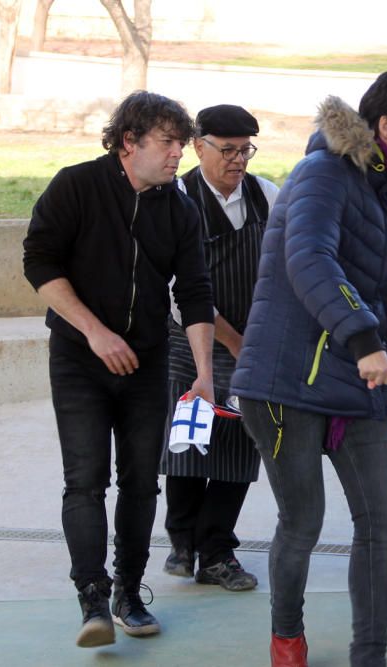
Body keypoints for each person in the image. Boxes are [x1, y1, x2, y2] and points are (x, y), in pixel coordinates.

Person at [231, 70, 387, 667]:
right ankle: (287, 637)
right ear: (386, 127)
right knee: (303, 521)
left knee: (381, 520)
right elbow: (309, 259)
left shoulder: (383, 200)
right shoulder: (321, 174)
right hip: (284, 384)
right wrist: (360, 343)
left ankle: (369, 655)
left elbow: (380, 301)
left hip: (360, 385)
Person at [22, 91, 215, 648]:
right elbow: (39, 260)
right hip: (80, 360)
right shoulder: (76, 185)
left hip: (148, 364)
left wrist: (204, 375)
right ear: (129, 143)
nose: (180, 152)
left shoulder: (178, 208)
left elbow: (196, 294)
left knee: (139, 484)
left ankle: (129, 591)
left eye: (182, 142)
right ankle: (92, 599)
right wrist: (94, 331)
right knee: (85, 481)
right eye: (169, 142)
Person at [159, 104, 280, 592]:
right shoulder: (175, 198)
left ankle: (216, 550)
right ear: (198, 146)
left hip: (253, 342)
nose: (238, 160)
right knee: (190, 441)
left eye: (245, 149)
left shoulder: (266, 195)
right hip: (187, 340)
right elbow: (176, 289)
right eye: (227, 149)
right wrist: (234, 340)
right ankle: (181, 540)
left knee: (239, 447)